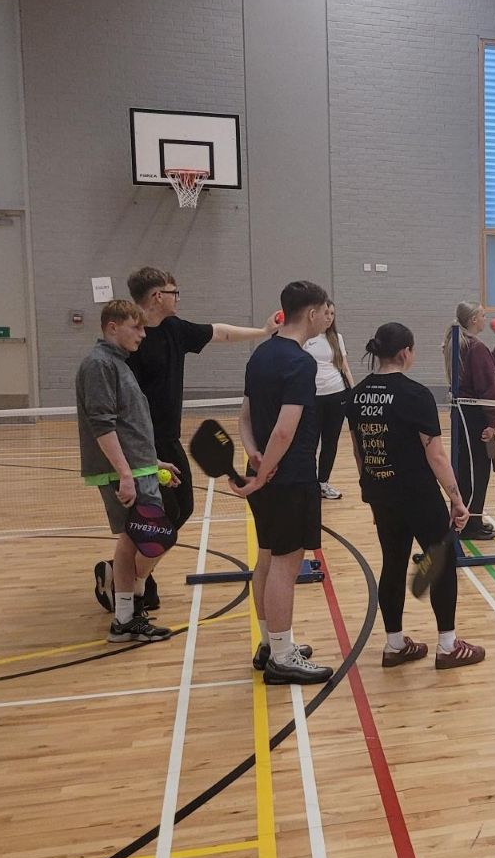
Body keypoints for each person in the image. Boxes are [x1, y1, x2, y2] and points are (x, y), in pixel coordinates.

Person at [107, 266, 276, 612]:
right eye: (174, 292)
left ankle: (131, 578)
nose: (178, 297)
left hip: (169, 441)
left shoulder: (175, 330)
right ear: (157, 297)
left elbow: (220, 333)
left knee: (181, 512)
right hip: (141, 446)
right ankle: (131, 585)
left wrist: (262, 330)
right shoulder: (130, 343)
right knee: (158, 522)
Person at [347, 322, 486, 669]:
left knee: (393, 563)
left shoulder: (357, 394)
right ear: (405, 352)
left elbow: (358, 450)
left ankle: (395, 645)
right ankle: (448, 646)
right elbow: (436, 455)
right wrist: (456, 500)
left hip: (381, 493)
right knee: (440, 564)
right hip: (419, 496)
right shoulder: (416, 394)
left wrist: (370, 489)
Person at [232, 280, 336, 685]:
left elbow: (244, 416)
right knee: (285, 565)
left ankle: (270, 642)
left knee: (267, 556)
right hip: (289, 476)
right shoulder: (300, 362)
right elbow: (284, 430)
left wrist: (253, 456)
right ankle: (282, 656)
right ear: (310, 314)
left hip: (264, 467)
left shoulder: (260, 355)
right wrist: (263, 474)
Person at [75, 299, 180, 643]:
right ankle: (127, 608)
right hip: (125, 473)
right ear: (112, 327)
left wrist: (152, 462)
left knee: (130, 541)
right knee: (155, 538)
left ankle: (126, 617)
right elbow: (102, 425)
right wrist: (125, 473)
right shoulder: (99, 365)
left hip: (139, 468)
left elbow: (128, 426)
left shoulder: (117, 364)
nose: (142, 334)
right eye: (135, 327)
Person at [442, 301, 495, 540]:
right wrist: (493, 422)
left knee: (468, 469)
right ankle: (470, 524)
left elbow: (485, 368)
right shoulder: (475, 347)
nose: (486, 320)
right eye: (483, 316)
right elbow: (489, 386)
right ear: (474, 320)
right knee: (476, 471)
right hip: (475, 416)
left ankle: (470, 518)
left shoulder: (462, 343)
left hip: (463, 414)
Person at [303, 300, 354, 501]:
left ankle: (323, 482)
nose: (329, 317)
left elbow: (344, 366)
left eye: (332, 314)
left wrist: (354, 391)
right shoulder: (307, 338)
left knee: (330, 441)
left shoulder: (336, 338)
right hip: (313, 397)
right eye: (326, 313)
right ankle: (309, 483)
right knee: (311, 441)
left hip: (337, 395)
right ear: (315, 314)